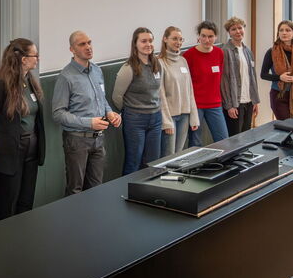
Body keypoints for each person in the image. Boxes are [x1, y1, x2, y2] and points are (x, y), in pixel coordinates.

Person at [52, 31, 122, 195]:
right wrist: (89, 122)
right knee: (75, 189)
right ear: (72, 49)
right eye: (82, 44)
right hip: (77, 140)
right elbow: (58, 114)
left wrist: (110, 113)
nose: (88, 47)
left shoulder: (97, 71)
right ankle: (73, 221)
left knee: (96, 188)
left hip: (98, 139)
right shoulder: (66, 76)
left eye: (89, 42)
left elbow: (101, 99)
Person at [0, 38, 45, 221]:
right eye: (34, 55)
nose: (37, 58)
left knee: (26, 200)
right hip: (12, 152)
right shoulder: (1, 85)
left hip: (32, 150)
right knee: (7, 203)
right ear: (23, 59)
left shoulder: (30, 81)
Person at [112, 27, 163, 175]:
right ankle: (126, 193)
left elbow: (158, 91)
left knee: (152, 162)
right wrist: (132, 109)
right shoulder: (128, 68)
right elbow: (117, 97)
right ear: (135, 44)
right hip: (135, 120)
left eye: (151, 41)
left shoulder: (157, 64)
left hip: (155, 118)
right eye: (144, 41)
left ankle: (148, 194)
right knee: (133, 161)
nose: (148, 44)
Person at [182, 21, 229, 146]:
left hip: (215, 104)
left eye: (210, 36)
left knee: (223, 139)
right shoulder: (188, 55)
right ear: (198, 36)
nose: (207, 40)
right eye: (203, 36)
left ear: (216, 37)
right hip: (196, 106)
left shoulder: (219, 53)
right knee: (195, 142)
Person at [157, 26, 200, 156]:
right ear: (165, 39)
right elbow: (160, 94)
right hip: (170, 117)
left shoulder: (183, 60)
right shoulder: (159, 62)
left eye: (181, 39)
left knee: (178, 155)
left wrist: (194, 117)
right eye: (174, 38)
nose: (178, 42)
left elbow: (189, 90)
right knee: (168, 156)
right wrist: (166, 122)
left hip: (184, 116)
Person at [221, 17, 261, 136]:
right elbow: (224, 81)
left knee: (246, 137)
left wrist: (255, 101)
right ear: (229, 32)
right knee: (235, 139)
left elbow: (252, 77)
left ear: (244, 29)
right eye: (234, 29)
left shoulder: (247, 50)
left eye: (240, 28)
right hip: (235, 103)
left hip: (248, 101)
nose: (238, 31)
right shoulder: (225, 51)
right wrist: (229, 106)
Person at [261, 20, 293, 120]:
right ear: (278, 33)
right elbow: (263, 74)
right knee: (286, 127)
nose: (284, 33)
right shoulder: (271, 52)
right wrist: (280, 77)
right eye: (281, 30)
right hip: (279, 95)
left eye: (288, 30)